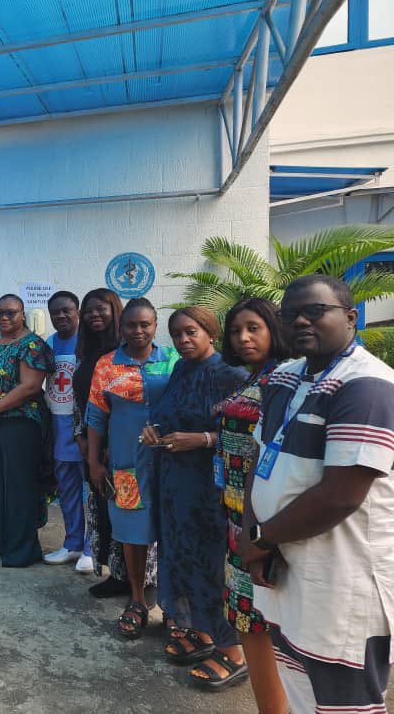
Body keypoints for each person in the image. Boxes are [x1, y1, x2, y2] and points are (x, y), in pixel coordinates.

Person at [241, 275, 394, 714]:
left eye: (314, 311)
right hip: (287, 569)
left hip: (340, 580)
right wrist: (255, 531)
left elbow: (340, 496)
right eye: (290, 315)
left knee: (342, 701)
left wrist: (263, 541)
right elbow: (260, 452)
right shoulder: (285, 377)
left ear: (350, 317)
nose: (300, 321)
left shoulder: (366, 385)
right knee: (299, 687)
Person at [143, 307, 248, 687]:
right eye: (176, 335)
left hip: (210, 488)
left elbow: (250, 434)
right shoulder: (180, 370)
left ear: (210, 334)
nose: (183, 340)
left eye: (191, 332)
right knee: (179, 557)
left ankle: (233, 651)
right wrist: (154, 430)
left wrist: (202, 439)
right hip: (174, 482)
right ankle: (201, 633)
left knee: (209, 563)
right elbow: (169, 417)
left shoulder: (230, 376)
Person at [214, 298, 289, 713]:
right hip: (237, 513)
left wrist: (258, 532)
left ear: (273, 329)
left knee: (256, 621)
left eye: (254, 327)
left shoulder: (284, 381)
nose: (243, 338)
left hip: (260, 520)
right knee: (250, 620)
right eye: (235, 330)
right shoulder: (255, 377)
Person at [86, 297, 177, 636]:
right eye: (131, 325)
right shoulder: (107, 364)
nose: (138, 331)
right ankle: (137, 600)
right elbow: (96, 415)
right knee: (132, 534)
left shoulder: (172, 359)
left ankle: (171, 606)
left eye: (145, 325)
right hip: (125, 463)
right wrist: (94, 462)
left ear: (155, 326)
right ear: (121, 327)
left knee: (171, 532)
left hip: (170, 462)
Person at [0, 294, 52, 567]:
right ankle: (1, 542)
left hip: (20, 422)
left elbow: (30, 387)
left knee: (19, 486)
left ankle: (22, 550)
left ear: (23, 314)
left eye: (10, 313)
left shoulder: (32, 345)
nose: (4, 318)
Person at [43, 290, 93, 573]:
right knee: (68, 490)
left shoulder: (88, 343)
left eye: (66, 310)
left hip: (84, 429)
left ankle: (91, 547)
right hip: (59, 428)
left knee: (89, 491)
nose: (61, 316)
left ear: (77, 312)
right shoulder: (49, 343)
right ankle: (72, 543)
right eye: (55, 312)